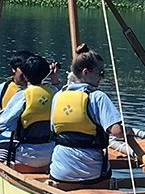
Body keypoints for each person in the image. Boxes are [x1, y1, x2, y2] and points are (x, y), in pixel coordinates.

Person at [49, 43, 123, 183]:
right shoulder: (97, 97)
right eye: (100, 72)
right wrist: (128, 131)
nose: (102, 77)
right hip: (91, 173)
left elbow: (53, 129)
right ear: (85, 72)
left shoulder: (58, 96)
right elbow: (117, 132)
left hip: (59, 172)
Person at [0, 54, 60, 168]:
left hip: (26, 156)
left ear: (24, 75)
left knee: (1, 158)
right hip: (51, 153)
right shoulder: (54, 92)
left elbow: (0, 127)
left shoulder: (22, 96)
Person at [0, 50, 33, 127]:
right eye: (23, 70)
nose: (26, 75)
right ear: (14, 69)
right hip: (4, 134)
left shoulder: (37, 90)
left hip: (28, 135)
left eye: (29, 70)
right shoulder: (3, 88)